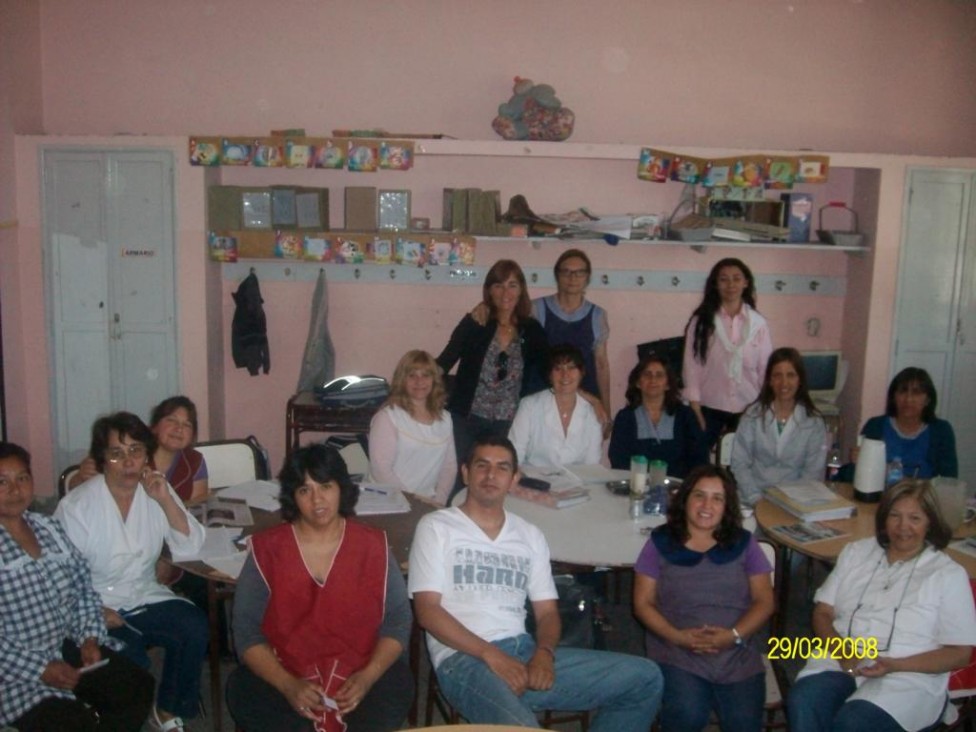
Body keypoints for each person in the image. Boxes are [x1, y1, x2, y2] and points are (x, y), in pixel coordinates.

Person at [408, 434, 664, 729]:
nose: (491, 475)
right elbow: (427, 612)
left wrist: (544, 653)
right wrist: (492, 656)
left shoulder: (529, 535)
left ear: (514, 478)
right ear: (466, 473)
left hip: (524, 653)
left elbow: (546, 613)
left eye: (502, 468)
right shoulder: (437, 527)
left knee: (644, 678)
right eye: (482, 466)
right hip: (464, 660)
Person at [226, 444, 413, 732]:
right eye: (304, 490)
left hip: (360, 670)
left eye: (325, 486)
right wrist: (287, 685)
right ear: (292, 497)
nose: (317, 500)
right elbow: (246, 631)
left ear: (341, 488)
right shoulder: (267, 550)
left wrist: (368, 676)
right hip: (285, 671)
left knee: (396, 684)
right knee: (242, 688)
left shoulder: (373, 546)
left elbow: (398, 620)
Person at [55, 412, 208, 732]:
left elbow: (191, 546)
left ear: (147, 455)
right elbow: (58, 577)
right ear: (102, 458)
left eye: (136, 450)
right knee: (132, 661)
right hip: (93, 603)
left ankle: (167, 711)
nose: (128, 461)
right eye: (116, 453)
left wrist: (166, 500)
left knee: (193, 626)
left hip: (143, 593)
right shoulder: (78, 506)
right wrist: (94, 610)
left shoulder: (154, 490)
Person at [787, 479, 976, 732]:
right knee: (805, 700)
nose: (903, 527)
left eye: (915, 518)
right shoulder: (856, 552)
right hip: (844, 658)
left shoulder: (947, 574)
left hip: (908, 676)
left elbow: (960, 653)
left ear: (930, 522)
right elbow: (823, 611)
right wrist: (842, 650)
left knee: (854, 723)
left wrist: (896, 665)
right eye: (894, 516)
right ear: (883, 519)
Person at [0, 441, 155, 732]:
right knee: (73, 724)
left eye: (22, 478)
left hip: (65, 646)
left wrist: (89, 638)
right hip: (13, 672)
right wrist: (41, 669)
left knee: (136, 687)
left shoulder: (49, 529)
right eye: (2, 482)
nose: (15, 490)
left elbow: (83, 588)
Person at [633, 464, 774, 731]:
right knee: (687, 715)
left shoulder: (745, 544)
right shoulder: (659, 543)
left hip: (736, 651)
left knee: (743, 722)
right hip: (676, 650)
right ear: (685, 499)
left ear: (727, 506)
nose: (706, 505)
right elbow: (643, 604)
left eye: (717, 498)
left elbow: (764, 602)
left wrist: (732, 635)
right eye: (699, 495)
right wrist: (678, 637)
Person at [437, 259, 549, 496]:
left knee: (500, 484)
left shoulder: (532, 330)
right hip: (468, 418)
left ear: (521, 290)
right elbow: (444, 363)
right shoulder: (475, 322)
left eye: (512, 285)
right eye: (498, 285)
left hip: (509, 422)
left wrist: (589, 397)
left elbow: (553, 372)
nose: (505, 292)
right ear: (489, 290)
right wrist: (404, 392)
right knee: (463, 480)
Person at [469, 249, 612, 433]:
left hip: (583, 398)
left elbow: (601, 365)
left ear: (587, 277)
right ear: (557, 275)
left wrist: (606, 408)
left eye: (579, 272)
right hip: (540, 398)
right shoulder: (536, 309)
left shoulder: (597, 315)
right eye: (566, 271)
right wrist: (484, 306)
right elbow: (503, 312)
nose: (572, 277)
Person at [683, 258, 773, 448]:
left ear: (746, 283)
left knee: (743, 462)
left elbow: (765, 368)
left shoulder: (758, 324)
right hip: (709, 405)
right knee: (699, 459)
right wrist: (694, 406)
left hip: (748, 407)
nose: (730, 285)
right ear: (715, 284)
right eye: (724, 279)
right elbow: (692, 365)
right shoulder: (702, 321)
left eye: (736, 278)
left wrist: (766, 407)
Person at [731, 347, 828, 506]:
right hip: (752, 498)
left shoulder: (813, 422)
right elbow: (739, 463)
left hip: (795, 503)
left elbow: (812, 472)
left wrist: (788, 504)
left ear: (800, 380)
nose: (784, 382)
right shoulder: (752, 416)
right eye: (777, 375)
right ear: (769, 380)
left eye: (791, 375)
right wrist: (756, 499)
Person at [67, 395, 209, 503]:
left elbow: (195, 507)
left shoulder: (195, 461)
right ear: (154, 426)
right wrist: (80, 477)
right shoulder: (130, 452)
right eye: (171, 420)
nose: (179, 429)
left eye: (187, 425)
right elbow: (77, 489)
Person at [367, 349, 456, 505]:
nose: (419, 381)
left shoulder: (445, 419)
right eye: (412, 375)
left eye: (426, 375)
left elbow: (449, 467)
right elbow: (381, 471)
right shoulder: (388, 417)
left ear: (434, 380)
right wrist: (413, 502)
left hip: (428, 503)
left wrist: (439, 501)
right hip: (387, 501)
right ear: (402, 380)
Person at [609, 353, 709, 478]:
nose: (653, 380)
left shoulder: (685, 416)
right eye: (647, 374)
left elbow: (699, 458)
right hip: (635, 488)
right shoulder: (625, 417)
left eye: (659, 375)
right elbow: (618, 460)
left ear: (668, 384)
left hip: (678, 489)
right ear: (638, 382)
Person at [508, 344, 603, 468]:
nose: (565, 375)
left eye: (571, 368)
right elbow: (515, 454)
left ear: (582, 373)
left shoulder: (592, 412)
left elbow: (592, 464)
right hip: (535, 481)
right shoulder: (529, 406)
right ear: (549, 375)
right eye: (558, 369)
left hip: (579, 484)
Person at [858, 367, 958, 479]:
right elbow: (858, 475)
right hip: (881, 495)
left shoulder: (941, 431)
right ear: (893, 397)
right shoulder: (875, 426)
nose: (908, 399)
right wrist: (859, 461)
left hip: (924, 495)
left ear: (928, 400)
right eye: (903, 391)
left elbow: (949, 479)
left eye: (916, 393)